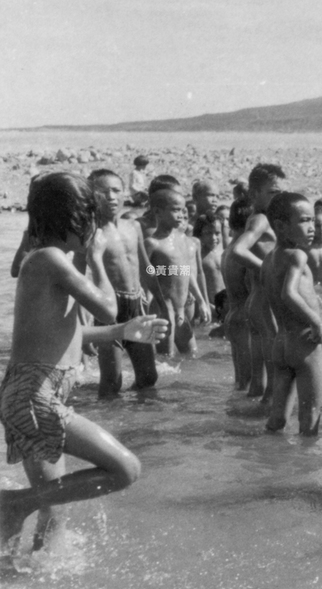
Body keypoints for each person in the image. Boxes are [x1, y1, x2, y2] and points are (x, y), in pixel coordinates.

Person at [1, 173, 167, 556]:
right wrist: (94, 258)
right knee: (126, 469)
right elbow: (107, 307)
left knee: (55, 506)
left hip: (29, 394)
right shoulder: (50, 260)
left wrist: (125, 329)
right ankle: (13, 504)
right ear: (76, 218)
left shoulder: (127, 234)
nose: (97, 224)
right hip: (35, 396)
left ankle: (21, 575)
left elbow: (70, 333)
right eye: (93, 213)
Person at [87, 169, 159, 397]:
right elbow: (76, 277)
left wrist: (162, 299)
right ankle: (105, 415)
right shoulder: (90, 233)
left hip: (137, 304)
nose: (111, 196)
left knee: (148, 377)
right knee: (112, 381)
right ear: (90, 195)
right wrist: (84, 327)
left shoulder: (133, 226)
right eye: (103, 191)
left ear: (124, 193)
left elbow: (146, 267)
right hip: (108, 309)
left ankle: (139, 417)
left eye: (116, 190)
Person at [261, 193, 322, 435]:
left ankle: (267, 453)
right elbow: (288, 293)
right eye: (305, 220)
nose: (312, 227)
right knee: (310, 417)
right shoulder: (297, 255)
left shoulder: (269, 260)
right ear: (280, 226)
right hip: (304, 342)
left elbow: (273, 297)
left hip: (281, 343)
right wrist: (315, 320)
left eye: (313, 220)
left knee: (277, 419)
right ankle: (307, 458)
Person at [230, 163, 287, 403]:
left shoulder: (260, 218)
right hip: (264, 299)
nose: (279, 197)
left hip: (256, 300)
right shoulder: (261, 219)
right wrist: (267, 269)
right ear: (254, 194)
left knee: (258, 378)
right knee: (274, 360)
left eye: (281, 192)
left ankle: (252, 411)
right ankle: (272, 410)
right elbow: (238, 250)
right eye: (273, 192)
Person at [144, 190, 211, 356]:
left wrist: (202, 301)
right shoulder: (152, 243)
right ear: (158, 212)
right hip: (162, 309)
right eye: (175, 210)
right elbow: (144, 274)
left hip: (181, 311)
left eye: (182, 210)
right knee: (166, 358)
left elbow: (186, 272)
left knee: (192, 356)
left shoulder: (183, 239)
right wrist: (145, 305)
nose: (181, 215)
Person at [222, 199, 254, 391]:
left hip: (233, 317)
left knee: (241, 383)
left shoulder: (228, 250)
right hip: (246, 320)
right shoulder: (243, 253)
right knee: (250, 384)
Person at [194, 211, 226, 326]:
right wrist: (204, 303)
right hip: (209, 307)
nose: (213, 237)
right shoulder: (197, 255)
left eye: (217, 233)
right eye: (208, 233)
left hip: (227, 307)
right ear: (199, 234)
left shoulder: (225, 252)